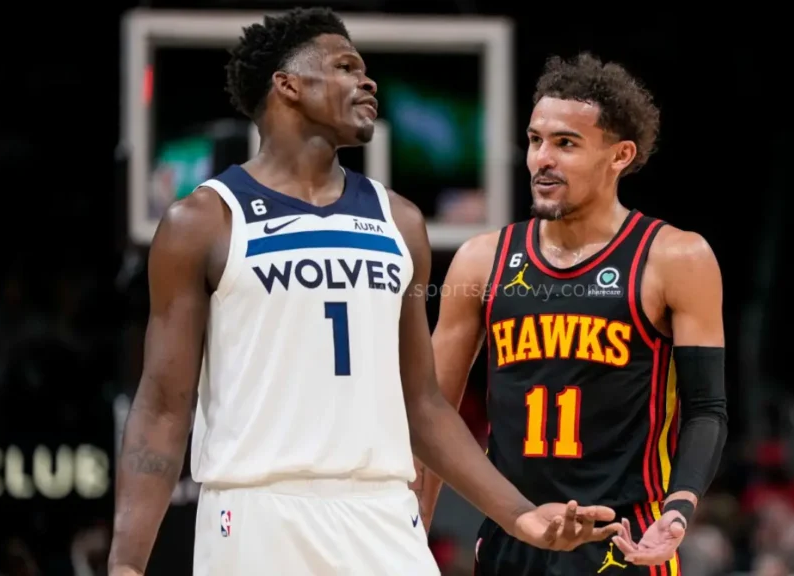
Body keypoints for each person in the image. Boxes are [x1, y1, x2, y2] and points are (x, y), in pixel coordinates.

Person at [106, 10, 620, 576]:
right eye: (346, 67)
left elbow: (422, 404)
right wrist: (127, 563)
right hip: (255, 512)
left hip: (380, 511)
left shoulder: (399, 219)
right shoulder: (203, 221)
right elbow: (160, 405)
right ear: (288, 85)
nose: (368, 81)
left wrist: (522, 517)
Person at [418, 53, 729, 574]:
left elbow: (706, 409)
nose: (543, 158)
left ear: (619, 155)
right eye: (536, 140)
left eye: (566, 143)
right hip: (512, 538)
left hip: (625, 543)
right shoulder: (482, 259)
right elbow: (431, 415)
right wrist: (411, 535)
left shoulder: (675, 257)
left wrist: (679, 509)